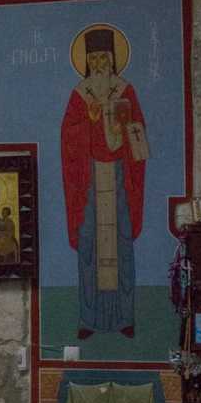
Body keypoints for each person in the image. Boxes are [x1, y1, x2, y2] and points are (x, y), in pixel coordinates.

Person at [60, 26, 148, 340]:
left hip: (120, 179)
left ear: (113, 60)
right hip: (90, 182)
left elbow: (138, 134)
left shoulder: (126, 91)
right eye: (93, 58)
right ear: (86, 62)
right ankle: (88, 318)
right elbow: (68, 137)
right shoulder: (79, 95)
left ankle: (125, 317)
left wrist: (122, 126)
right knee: (89, 248)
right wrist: (90, 121)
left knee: (122, 245)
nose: (99, 64)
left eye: (104, 58)